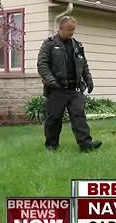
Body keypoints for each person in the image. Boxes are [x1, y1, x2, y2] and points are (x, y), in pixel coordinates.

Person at [37, 16, 102, 152]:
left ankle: (85, 145)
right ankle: (51, 146)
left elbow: (84, 65)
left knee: (79, 116)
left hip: (75, 88)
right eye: (69, 30)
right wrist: (51, 81)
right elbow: (42, 64)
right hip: (57, 88)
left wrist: (89, 80)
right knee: (54, 118)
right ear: (60, 28)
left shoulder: (78, 45)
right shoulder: (49, 44)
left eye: (73, 30)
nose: (71, 32)